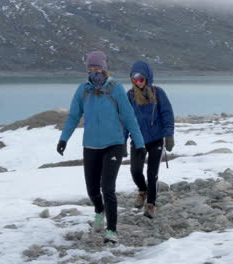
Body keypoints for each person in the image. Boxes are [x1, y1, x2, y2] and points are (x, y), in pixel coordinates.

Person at [57, 51, 146, 244]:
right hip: (90, 146)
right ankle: (99, 210)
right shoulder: (83, 90)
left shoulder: (116, 89)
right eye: (90, 68)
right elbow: (73, 117)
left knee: (108, 188)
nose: (94, 72)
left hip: (113, 145)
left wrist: (139, 144)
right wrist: (63, 139)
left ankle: (111, 230)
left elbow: (129, 117)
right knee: (92, 190)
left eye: (97, 68)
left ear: (104, 68)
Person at [124, 60, 175, 219]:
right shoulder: (130, 96)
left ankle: (151, 204)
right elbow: (125, 120)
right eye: (134, 79)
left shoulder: (158, 93)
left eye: (141, 78)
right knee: (135, 171)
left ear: (148, 77)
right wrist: (123, 141)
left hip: (156, 139)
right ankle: (142, 190)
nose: (137, 82)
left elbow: (167, 114)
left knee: (152, 173)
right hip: (138, 140)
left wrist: (169, 135)